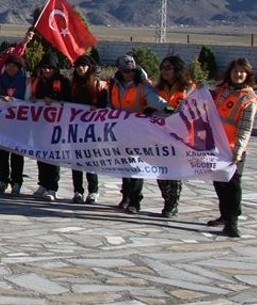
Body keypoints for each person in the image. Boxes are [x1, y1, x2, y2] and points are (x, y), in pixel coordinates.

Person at [109, 54, 168, 213]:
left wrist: (174, 110)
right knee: (124, 165)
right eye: (126, 71)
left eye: (131, 70)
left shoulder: (142, 86)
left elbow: (158, 103)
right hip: (120, 130)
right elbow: (110, 106)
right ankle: (126, 196)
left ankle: (135, 200)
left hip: (138, 131)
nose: (129, 73)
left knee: (135, 165)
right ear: (120, 71)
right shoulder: (114, 85)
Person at [209, 58, 257, 238]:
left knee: (232, 184)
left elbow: (245, 128)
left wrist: (238, 150)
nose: (238, 74)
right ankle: (224, 215)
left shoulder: (249, 98)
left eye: (242, 71)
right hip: (216, 145)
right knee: (219, 182)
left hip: (233, 148)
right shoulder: (222, 90)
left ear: (247, 74)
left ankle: (232, 221)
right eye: (235, 71)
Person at [154, 55, 195, 217]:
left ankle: (173, 203)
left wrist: (169, 111)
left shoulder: (189, 89)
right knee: (160, 172)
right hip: (160, 135)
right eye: (163, 68)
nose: (165, 71)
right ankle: (166, 198)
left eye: (168, 68)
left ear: (177, 70)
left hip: (181, 136)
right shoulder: (158, 89)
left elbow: (190, 111)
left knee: (175, 172)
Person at [68, 55, 106, 203]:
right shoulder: (74, 85)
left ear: (89, 67)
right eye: (78, 66)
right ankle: (78, 190)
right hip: (76, 128)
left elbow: (104, 106)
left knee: (90, 160)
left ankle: (93, 190)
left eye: (83, 66)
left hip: (92, 129)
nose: (80, 69)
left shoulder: (99, 85)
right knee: (76, 161)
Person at [29, 58, 69, 201]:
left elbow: (68, 100)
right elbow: (31, 96)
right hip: (40, 124)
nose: (46, 71)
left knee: (53, 156)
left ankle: (52, 187)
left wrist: (56, 101)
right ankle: (43, 184)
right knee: (41, 155)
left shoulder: (63, 81)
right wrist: (34, 98)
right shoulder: (38, 81)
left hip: (56, 126)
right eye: (44, 67)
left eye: (49, 68)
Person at [0, 53, 29, 194]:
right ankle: (3, 180)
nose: (11, 68)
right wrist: (2, 100)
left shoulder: (25, 81)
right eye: (8, 65)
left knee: (17, 155)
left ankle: (17, 182)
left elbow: (27, 101)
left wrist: (14, 102)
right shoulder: (0, 81)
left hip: (19, 124)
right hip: (3, 123)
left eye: (14, 66)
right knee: (2, 154)